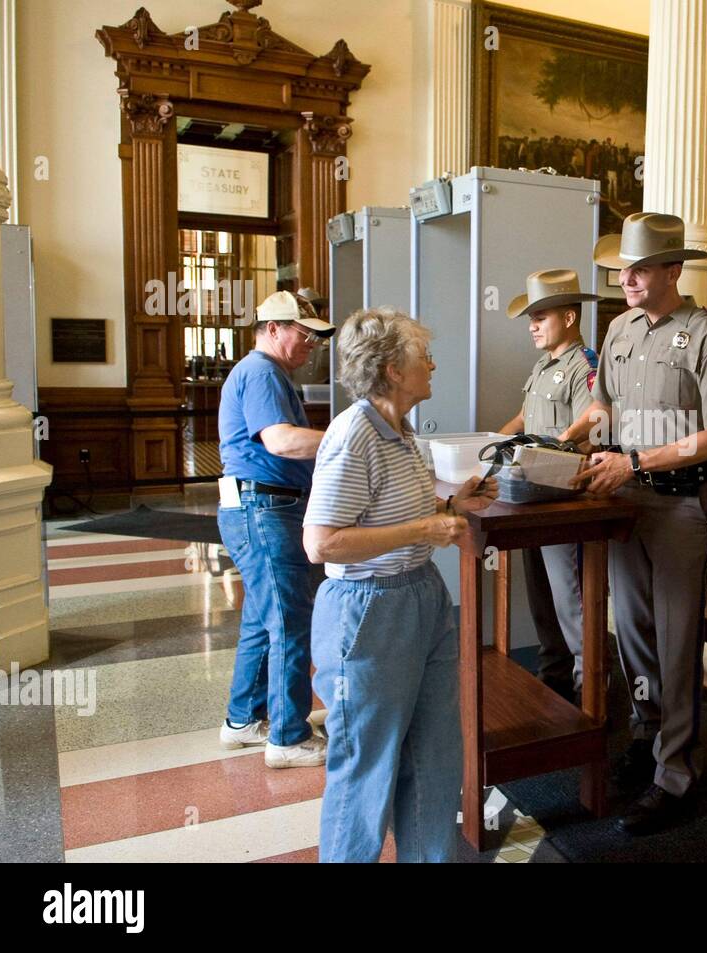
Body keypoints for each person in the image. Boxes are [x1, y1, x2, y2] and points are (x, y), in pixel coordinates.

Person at [563, 212, 707, 835]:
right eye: (623, 270)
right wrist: (576, 439)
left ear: (674, 270)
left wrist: (638, 458)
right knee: (634, 634)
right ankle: (648, 739)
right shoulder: (617, 329)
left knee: (675, 643)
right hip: (625, 501)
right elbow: (604, 404)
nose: (628, 280)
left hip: (678, 503)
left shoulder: (706, 331)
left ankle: (677, 775)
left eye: (640, 269)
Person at [303, 307, 496, 863]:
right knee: (366, 766)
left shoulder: (402, 428)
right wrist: (424, 528)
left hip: (421, 595)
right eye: (422, 356)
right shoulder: (353, 433)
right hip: (370, 610)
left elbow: (387, 511)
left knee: (434, 757)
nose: (433, 364)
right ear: (391, 369)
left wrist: (453, 504)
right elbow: (322, 543)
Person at [217, 290, 335, 768]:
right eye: (303, 334)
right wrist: (347, 438)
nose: (311, 344)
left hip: (257, 506)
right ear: (272, 330)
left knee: (260, 621)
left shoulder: (266, 372)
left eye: (314, 337)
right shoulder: (262, 371)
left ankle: (244, 719)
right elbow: (281, 441)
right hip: (264, 508)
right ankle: (288, 736)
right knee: (289, 620)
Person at [498, 269, 601, 702]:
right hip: (531, 491)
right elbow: (524, 417)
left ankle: (589, 684)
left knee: (570, 596)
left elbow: (595, 417)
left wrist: (557, 443)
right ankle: (555, 673)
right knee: (540, 592)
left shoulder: (584, 365)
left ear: (570, 317)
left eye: (541, 316)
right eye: (530, 318)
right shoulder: (543, 365)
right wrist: (494, 444)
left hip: (562, 493)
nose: (533, 325)